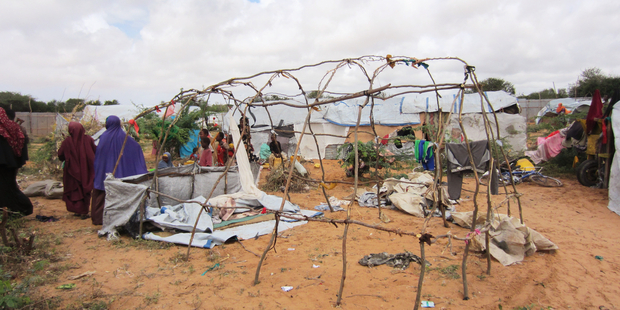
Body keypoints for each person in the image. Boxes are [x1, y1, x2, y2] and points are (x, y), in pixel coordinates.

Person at [92, 116, 147, 225]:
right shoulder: (124, 137)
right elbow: (136, 147)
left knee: (102, 193)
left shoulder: (104, 137)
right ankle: (118, 218)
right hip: (120, 173)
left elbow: (99, 155)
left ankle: (98, 219)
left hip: (104, 172)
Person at [58, 122, 96, 219]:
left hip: (71, 171)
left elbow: (60, 155)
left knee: (74, 190)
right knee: (85, 189)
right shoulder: (88, 140)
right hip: (85, 171)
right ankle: (83, 211)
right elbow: (95, 151)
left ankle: (77, 210)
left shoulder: (67, 142)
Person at [0, 108, 32, 216]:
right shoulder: (15, 127)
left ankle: (21, 209)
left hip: (4, 164)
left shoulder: (2, 130)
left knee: (6, 188)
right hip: (12, 163)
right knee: (9, 187)